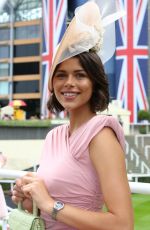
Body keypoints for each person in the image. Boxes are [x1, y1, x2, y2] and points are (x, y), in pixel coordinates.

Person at [11, 2, 134, 230]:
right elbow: (50, 206)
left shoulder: (100, 135)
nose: (69, 83)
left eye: (80, 75)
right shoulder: (54, 136)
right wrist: (28, 197)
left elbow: (123, 224)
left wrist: (50, 204)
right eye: (61, 75)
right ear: (52, 82)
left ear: (94, 81)